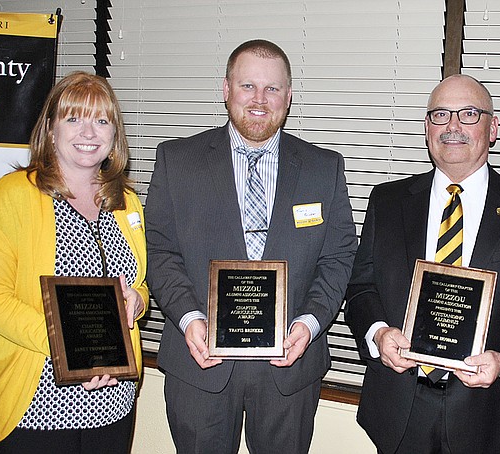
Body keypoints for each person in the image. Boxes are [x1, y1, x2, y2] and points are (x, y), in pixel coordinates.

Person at [145, 39, 357, 454]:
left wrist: (310, 324)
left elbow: (338, 256)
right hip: (199, 363)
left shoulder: (323, 167)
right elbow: (159, 250)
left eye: (272, 89)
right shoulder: (177, 160)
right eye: (247, 87)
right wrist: (189, 319)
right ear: (225, 89)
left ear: (289, 95)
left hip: (289, 370)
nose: (259, 100)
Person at [345, 74, 500, 454]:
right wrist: (379, 334)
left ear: (492, 127)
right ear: (426, 129)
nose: (452, 126)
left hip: (489, 413)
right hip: (400, 409)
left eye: (468, 114)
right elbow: (361, 287)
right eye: (440, 115)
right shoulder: (387, 200)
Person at [0, 71, 148, 453]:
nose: (89, 132)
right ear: (50, 129)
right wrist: (68, 344)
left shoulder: (126, 202)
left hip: (113, 404)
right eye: (73, 118)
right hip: (35, 406)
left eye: (101, 120)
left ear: (115, 135)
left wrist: (138, 300)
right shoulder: (10, 197)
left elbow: (138, 281)